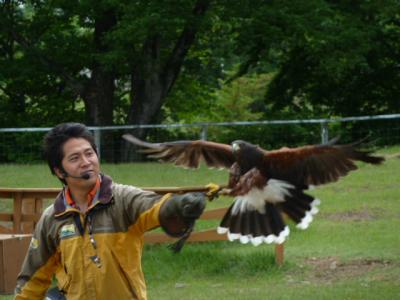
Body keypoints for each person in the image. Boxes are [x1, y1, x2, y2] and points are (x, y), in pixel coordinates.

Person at [14, 123, 206, 300]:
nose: (86, 162)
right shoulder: (52, 218)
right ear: (59, 171)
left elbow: (156, 207)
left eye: (89, 153)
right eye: (75, 158)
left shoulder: (123, 199)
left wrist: (177, 205)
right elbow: (33, 280)